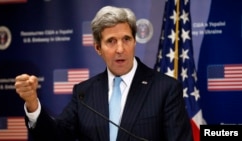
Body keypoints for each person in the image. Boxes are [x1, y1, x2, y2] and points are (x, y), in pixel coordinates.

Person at [14, 5, 193, 141]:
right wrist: (32, 104)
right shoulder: (84, 93)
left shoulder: (165, 88)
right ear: (98, 48)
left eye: (126, 39)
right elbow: (55, 136)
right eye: (111, 41)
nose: (120, 49)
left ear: (134, 42)